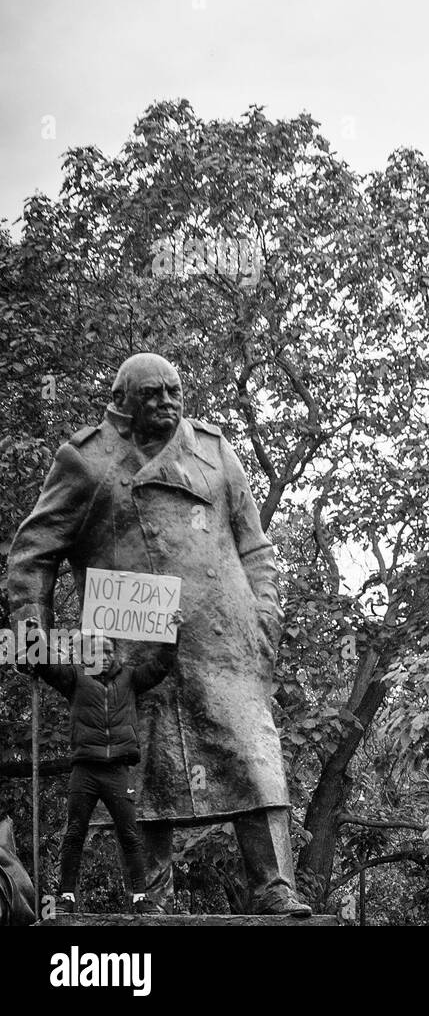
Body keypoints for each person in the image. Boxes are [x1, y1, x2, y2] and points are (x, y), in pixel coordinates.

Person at [7, 353, 312, 916]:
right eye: (153, 394)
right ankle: (150, 898)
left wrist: (266, 615)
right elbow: (34, 554)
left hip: (226, 637)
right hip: (129, 636)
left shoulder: (216, 453)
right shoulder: (87, 460)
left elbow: (255, 546)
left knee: (253, 756)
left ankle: (273, 885)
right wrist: (33, 631)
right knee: (138, 769)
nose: (168, 402)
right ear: (123, 401)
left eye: (174, 391)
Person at [31, 633, 175, 913]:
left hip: (118, 771)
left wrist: (173, 634)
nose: (105, 656)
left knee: (130, 835)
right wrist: (31, 639)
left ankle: (140, 899)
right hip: (85, 769)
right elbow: (47, 667)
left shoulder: (130, 678)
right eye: (99, 652)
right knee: (74, 834)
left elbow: (161, 666)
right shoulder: (75, 677)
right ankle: (66, 898)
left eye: (109, 651)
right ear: (88, 655)